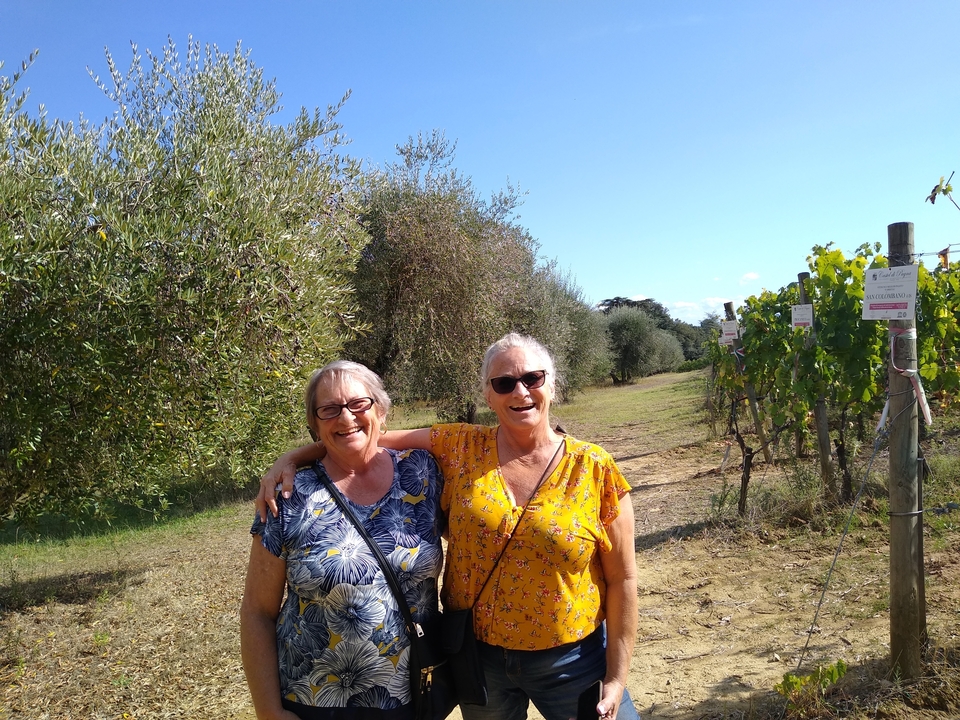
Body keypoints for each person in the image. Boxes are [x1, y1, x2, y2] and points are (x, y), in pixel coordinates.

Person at [258, 334, 641, 720]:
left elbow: (623, 578)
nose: (520, 391)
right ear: (488, 396)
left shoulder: (593, 467)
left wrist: (616, 677)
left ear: (552, 385)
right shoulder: (461, 446)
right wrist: (291, 457)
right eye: (503, 383)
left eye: (533, 378)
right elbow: (363, 436)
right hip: (478, 659)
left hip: (573, 658)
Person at [241, 360, 445, 720]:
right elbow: (257, 612)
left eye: (358, 404)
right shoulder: (287, 496)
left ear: (380, 411)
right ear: (315, 424)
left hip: (416, 691)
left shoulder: (423, 471)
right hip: (316, 700)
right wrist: (269, 711)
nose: (346, 417)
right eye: (330, 409)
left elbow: (486, 446)